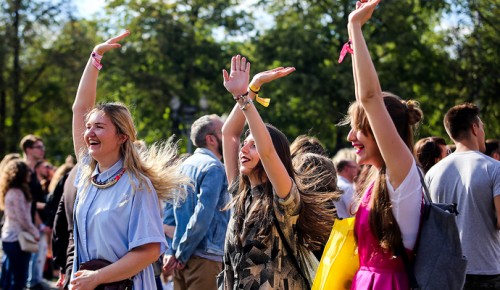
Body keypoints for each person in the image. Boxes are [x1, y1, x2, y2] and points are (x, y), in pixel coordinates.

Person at [69, 30, 187, 290]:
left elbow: (149, 251)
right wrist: (95, 57)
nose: (89, 133)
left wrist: (98, 277)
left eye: (99, 127)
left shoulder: (137, 185)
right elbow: (80, 109)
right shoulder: (88, 174)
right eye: (88, 127)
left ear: (122, 136)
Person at [221, 55, 336, 289]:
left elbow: (269, 152)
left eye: (253, 145)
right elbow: (229, 134)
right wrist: (252, 88)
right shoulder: (240, 193)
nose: (243, 148)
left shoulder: (284, 199)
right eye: (246, 142)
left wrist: (244, 98)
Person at [344, 0, 424, 288]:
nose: (351, 137)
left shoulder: (403, 174)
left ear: (382, 130)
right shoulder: (377, 177)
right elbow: (362, 99)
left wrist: (355, 27)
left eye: (360, 129)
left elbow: (369, 98)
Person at [425, 103, 500, 290]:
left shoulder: (433, 173)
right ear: (475, 128)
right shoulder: (494, 168)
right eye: (481, 126)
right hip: (486, 268)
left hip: (446, 269)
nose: (483, 131)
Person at [162, 114, 229, 290]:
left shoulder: (183, 166)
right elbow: (202, 215)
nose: (228, 137)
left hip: (179, 259)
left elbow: (169, 215)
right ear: (211, 139)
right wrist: (182, 254)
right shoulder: (214, 168)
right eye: (223, 132)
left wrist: (173, 252)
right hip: (204, 257)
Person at [0, 159, 41, 290]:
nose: (30, 174)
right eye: (27, 171)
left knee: (9, 277)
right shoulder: (17, 192)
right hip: (17, 239)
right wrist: (35, 232)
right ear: (20, 173)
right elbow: (23, 218)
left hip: (9, 237)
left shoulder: (9, 191)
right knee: (18, 279)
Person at [19, 135, 51, 290]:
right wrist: (39, 224)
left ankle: (34, 281)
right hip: (24, 224)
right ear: (28, 149)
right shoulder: (21, 170)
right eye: (39, 147)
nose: (42, 150)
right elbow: (27, 202)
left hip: (33, 221)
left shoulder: (32, 171)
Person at [51, 165, 77, 289]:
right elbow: (60, 221)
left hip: (72, 260)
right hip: (101, 269)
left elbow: (59, 223)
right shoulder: (96, 173)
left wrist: (62, 264)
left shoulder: (72, 173)